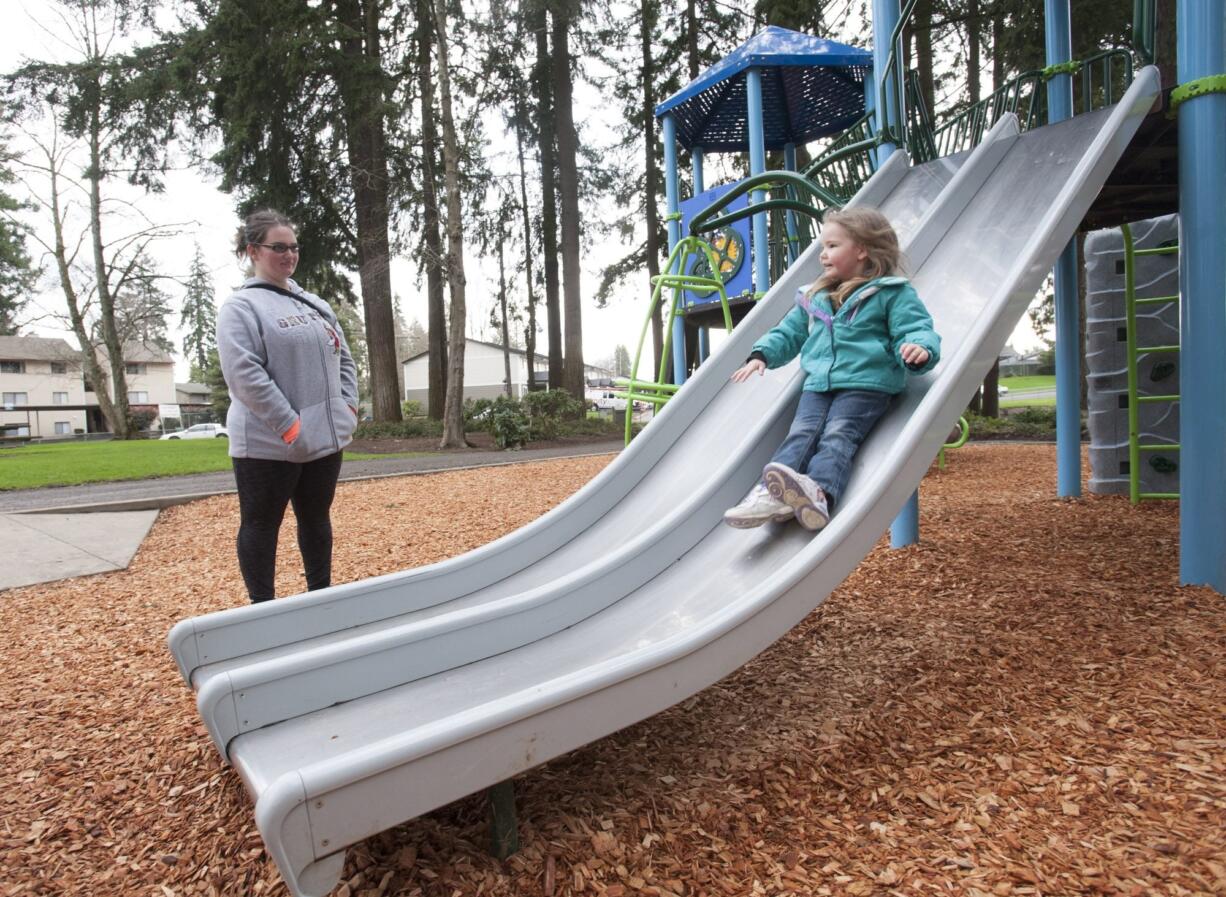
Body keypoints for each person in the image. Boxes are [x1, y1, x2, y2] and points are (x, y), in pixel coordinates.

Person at [723, 207, 940, 532]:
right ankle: (774, 493)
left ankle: (820, 493)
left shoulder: (890, 293)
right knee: (801, 433)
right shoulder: (815, 295)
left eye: (832, 246)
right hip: (818, 384)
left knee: (838, 435)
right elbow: (789, 332)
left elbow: (914, 328)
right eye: (823, 247)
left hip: (866, 384)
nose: (823, 255)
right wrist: (762, 354)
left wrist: (919, 348)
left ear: (862, 250)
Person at [217, 209, 359, 602]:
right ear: (253, 251)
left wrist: (348, 407)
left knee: (316, 520)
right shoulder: (241, 308)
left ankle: (319, 601)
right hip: (268, 444)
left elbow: (343, 357)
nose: (289, 255)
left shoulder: (313, 303)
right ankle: (263, 613)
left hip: (324, 440)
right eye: (278, 247)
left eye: (293, 247)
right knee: (262, 526)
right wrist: (289, 425)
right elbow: (243, 372)